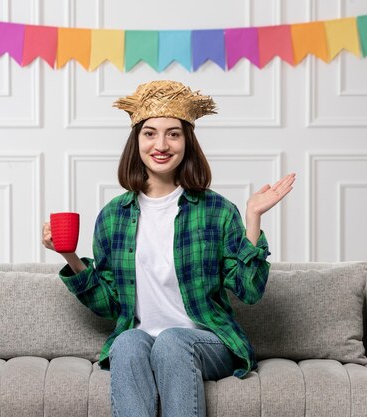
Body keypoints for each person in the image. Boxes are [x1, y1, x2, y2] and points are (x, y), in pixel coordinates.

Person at [42, 80, 295, 417]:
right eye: (150, 133)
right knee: (126, 341)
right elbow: (109, 304)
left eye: (173, 134)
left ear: (186, 142)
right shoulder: (113, 216)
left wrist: (253, 217)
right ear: (137, 142)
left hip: (206, 341)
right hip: (141, 338)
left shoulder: (216, 210)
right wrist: (68, 256)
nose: (161, 144)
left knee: (173, 341)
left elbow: (248, 291)